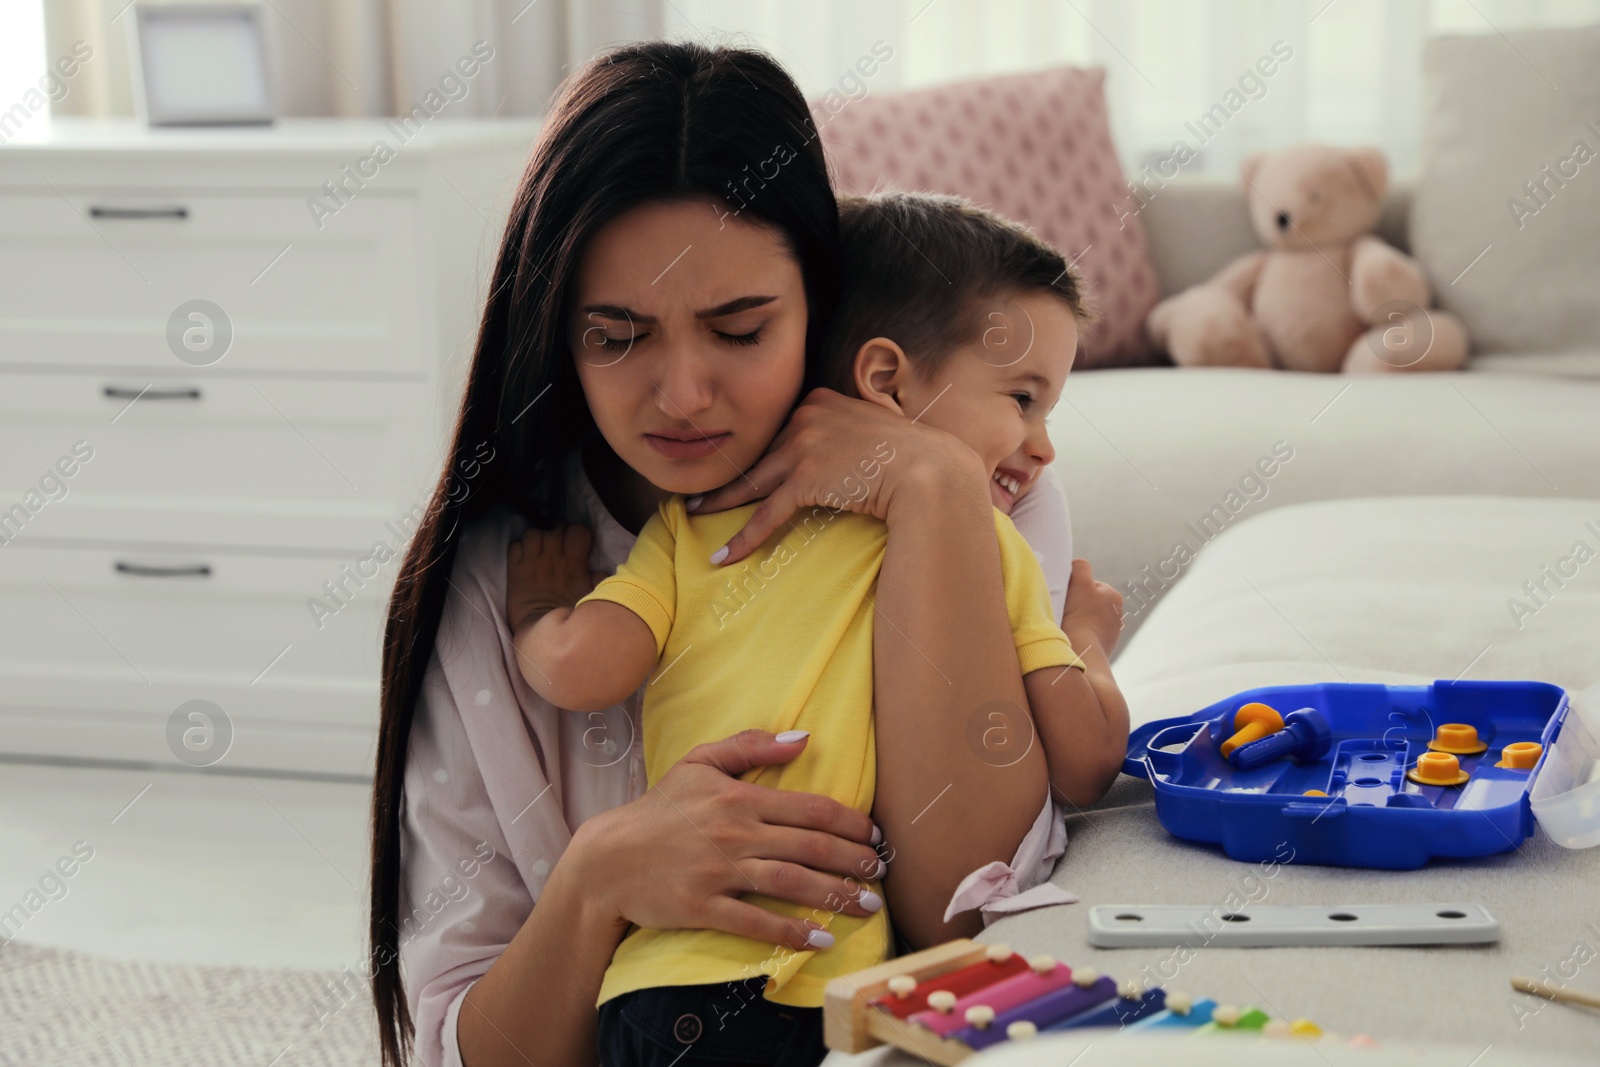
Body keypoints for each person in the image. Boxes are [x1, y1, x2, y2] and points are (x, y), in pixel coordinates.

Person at [369, 41, 1119, 1067]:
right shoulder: (509, 575)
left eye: (738, 328)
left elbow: (965, 906)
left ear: (815, 306)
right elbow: (459, 1045)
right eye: (617, 335)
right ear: (555, 332)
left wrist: (931, 493)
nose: (681, 394)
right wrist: (599, 877)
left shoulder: (979, 486)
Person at [507, 192, 1129, 1064]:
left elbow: (579, 666)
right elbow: (1090, 754)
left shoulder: (691, 527)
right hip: (818, 983)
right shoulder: (983, 542)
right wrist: (1084, 635)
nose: (1042, 447)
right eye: (1023, 400)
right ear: (885, 381)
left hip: (656, 982)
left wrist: (537, 609)